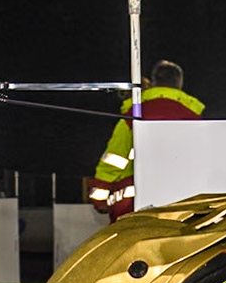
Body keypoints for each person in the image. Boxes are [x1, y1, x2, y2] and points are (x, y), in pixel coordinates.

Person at [87, 60, 204, 220]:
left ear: (154, 81)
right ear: (179, 82)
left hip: (135, 205)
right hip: (180, 202)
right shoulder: (194, 117)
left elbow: (115, 158)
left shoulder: (134, 114)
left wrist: (99, 197)